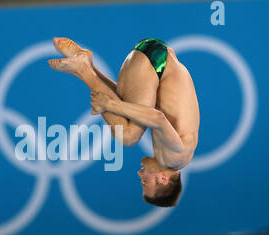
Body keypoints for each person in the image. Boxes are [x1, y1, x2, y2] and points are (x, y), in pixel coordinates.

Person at [49, 37, 200, 207]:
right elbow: (158, 118)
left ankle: (86, 64)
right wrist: (109, 105)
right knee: (128, 136)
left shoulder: (176, 157)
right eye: (145, 182)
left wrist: (113, 105)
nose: (139, 175)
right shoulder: (174, 158)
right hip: (155, 62)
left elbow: (135, 100)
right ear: (163, 179)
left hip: (155, 57)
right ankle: (83, 70)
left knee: (129, 119)